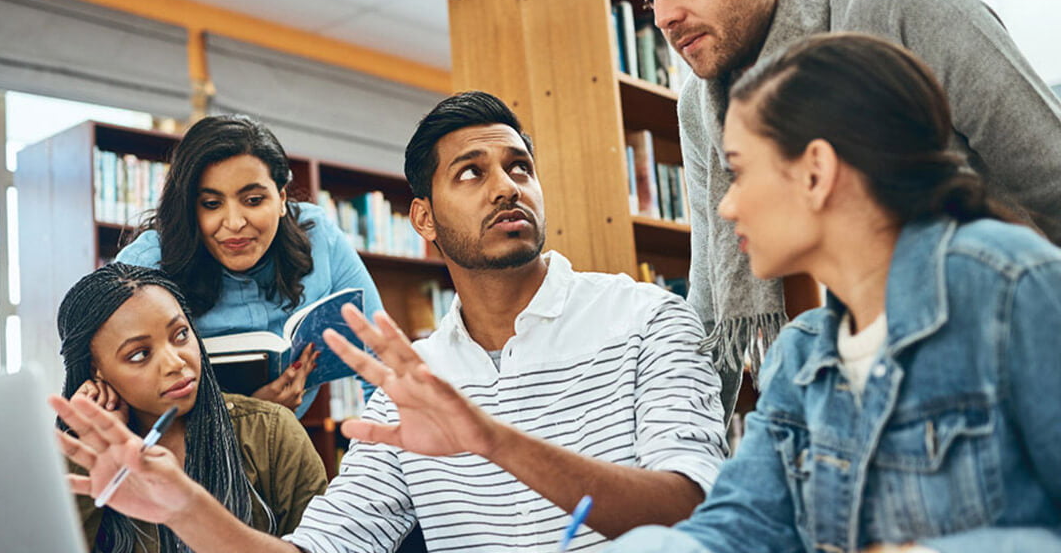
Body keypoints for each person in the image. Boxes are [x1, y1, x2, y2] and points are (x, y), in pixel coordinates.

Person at [51, 91, 729, 552]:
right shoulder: (410, 389)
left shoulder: (647, 318)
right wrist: (182, 508)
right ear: (424, 219)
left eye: (519, 167)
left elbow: (698, 511)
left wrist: (492, 441)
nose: (506, 187)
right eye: (471, 173)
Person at [606, 33, 1061, 553]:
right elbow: (737, 529)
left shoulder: (1011, 286)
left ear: (816, 172)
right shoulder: (801, 355)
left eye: (738, 172)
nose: (726, 207)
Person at [625, 0, 1061, 418]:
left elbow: (1051, 176)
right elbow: (711, 296)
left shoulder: (896, 1)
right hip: (855, 387)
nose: (664, 16)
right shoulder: (700, 100)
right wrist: (672, 443)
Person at [117, 114, 385, 415]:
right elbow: (114, 391)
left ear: (282, 198)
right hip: (178, 456)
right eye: (211, 204)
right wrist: (252, 416)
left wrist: (376, 457)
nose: (234, 223)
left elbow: (383, 362)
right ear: (189, 208)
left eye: (254, 200)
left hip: (284, 452)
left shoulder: (319, 236)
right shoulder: (146, 263)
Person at [55, 262, 328, 551]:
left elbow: (321, 545)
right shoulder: (73, 458)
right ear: (96, 371)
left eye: (181, 335)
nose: (176, 363)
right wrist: (90, 451)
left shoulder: (270, 433)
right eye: (139, 355)